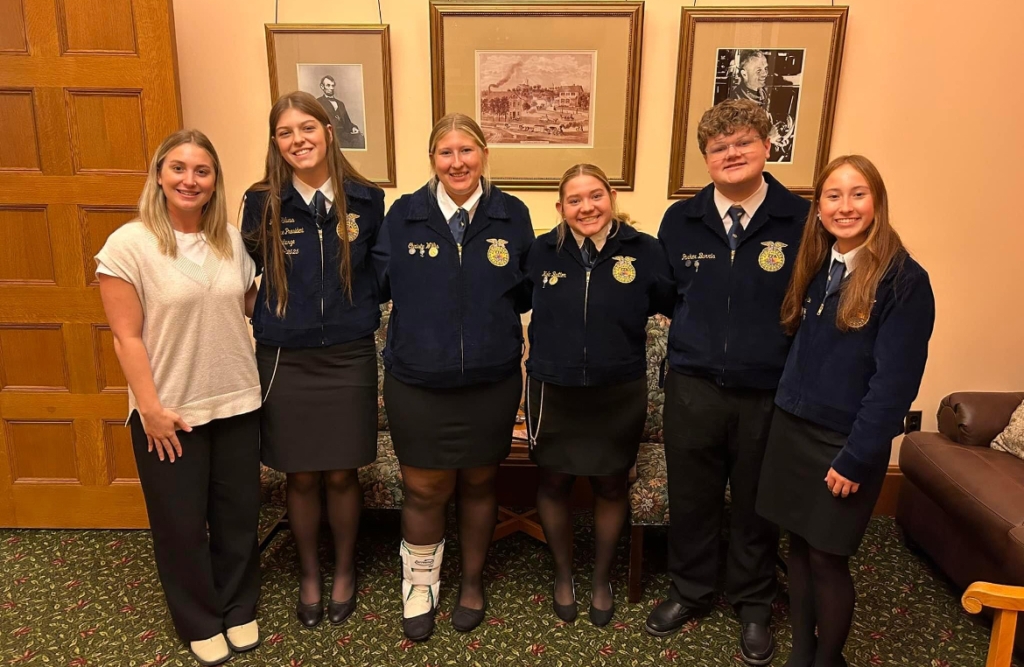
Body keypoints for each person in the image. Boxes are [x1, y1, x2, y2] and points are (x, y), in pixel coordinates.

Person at [648, 99, 810, 666]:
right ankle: (689, 590)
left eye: (743, 142)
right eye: (719, 148)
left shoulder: (800, 218)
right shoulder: (680, 219)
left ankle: (753, 603)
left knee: (755, 502)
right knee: (691, 498)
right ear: (706, 159)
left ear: (768, 148)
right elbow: (668, 297)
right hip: (693, 386)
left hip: (769, 390)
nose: (732, 154)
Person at [757, 155, 935, 667]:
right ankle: (802, 654)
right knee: (797, 548)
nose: (845, 206)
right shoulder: (817, 264)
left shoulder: (903, 281)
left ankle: (827, 660)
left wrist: (857, 457)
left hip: (844, 444)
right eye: (832, 196)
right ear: (818, 209)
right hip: (792, 431)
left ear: (877, 201)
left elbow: (894, 386)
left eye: (858, 194)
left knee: (828, 558)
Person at [96, 130, 262, 666]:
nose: (190, 180)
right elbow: (126, 337)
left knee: (238, 517)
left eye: (202, 171)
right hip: (169, 413)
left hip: (237, 402)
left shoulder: (231, 241)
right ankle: (198, 618)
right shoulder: (129, 245)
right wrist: (150, 409)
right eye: (179, 169)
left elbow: (253, 307)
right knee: (181, 524)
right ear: (160, 175)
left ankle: (238, 607)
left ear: (215, 182)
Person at [372, 112, 534, 641]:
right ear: (433, 160)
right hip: (418, 381)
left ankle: (471, 581)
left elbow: (527, 291)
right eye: (446, 152)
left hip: (491, 381)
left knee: (481, 481)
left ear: (484, 154)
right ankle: (420, 584)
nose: (457, 161)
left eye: (467, 150)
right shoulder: (403, 216)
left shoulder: (513, 215)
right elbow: (374, 284)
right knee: (424, 487)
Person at [241, 91, 385, 629]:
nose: (297, 139)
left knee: (343, 474)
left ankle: (344, 570)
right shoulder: (262, 201)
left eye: (307, 128)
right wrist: (273, 314)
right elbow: (238, 274)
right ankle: (309, 574)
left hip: (348, 355)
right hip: (286, 358)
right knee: (300, 476)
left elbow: (381, 271)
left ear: (329, 131)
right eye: (285, 132)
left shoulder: (367, 199)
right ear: (276, 143)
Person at [524, 164, 674, 626]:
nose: (586, 207)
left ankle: (602, 578)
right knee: (554, 482)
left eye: (595, 196)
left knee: (610, 483)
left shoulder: (645, 251)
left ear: (611, 196)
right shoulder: (540, 252)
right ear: (560, 208)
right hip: (553, 388)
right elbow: (506, 302)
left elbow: (673, 304)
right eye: (574, 199)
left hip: (618, 389)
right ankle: (564, 574)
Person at [316, 75, 364, 149]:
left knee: (360, 138)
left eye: (333, 85)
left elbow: (347, 122)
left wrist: (353, 128)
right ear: (322, 87)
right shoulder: (318, 102)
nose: (331, 88)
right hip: (330, 136)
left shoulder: (340, 104)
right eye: (328, 85)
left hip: (344, 135)